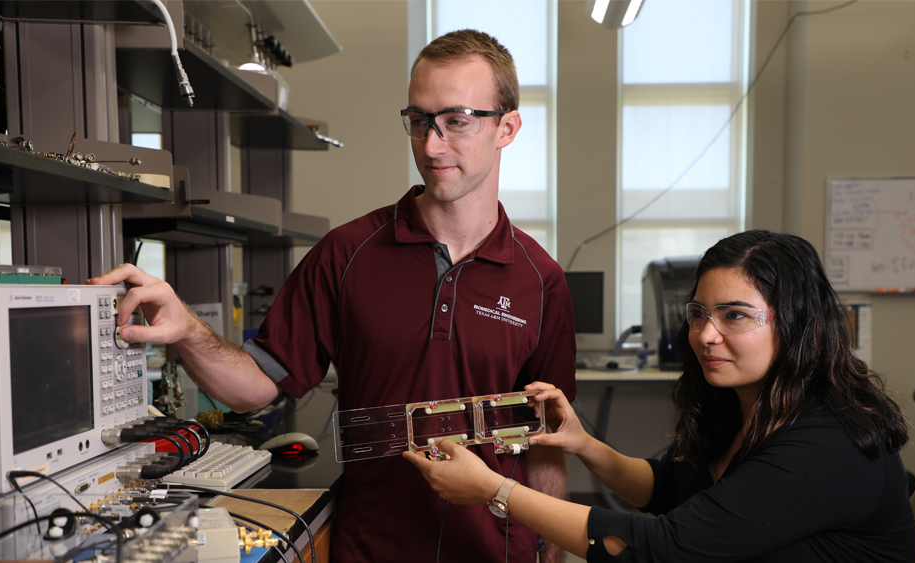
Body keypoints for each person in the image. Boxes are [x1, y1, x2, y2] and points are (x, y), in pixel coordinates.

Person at [88, 29, 576, 563]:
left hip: (495, 550)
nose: (431, 145)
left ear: (506, 127)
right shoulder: (347, 254)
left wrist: (549, 551)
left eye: (456, 121)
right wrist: (187, 329)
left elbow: (547, 443)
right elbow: (253, 388)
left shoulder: (540, 279)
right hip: (373, 547)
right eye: (418, 121)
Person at [407, 230, 915, 562]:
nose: (705, 335)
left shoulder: (827, 442)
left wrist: (495, 490)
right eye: (699, 313)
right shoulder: (744, 407)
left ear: (796, 325)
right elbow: (669, 486)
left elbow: (662, 548)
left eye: (735, 315)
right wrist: (585, 444)